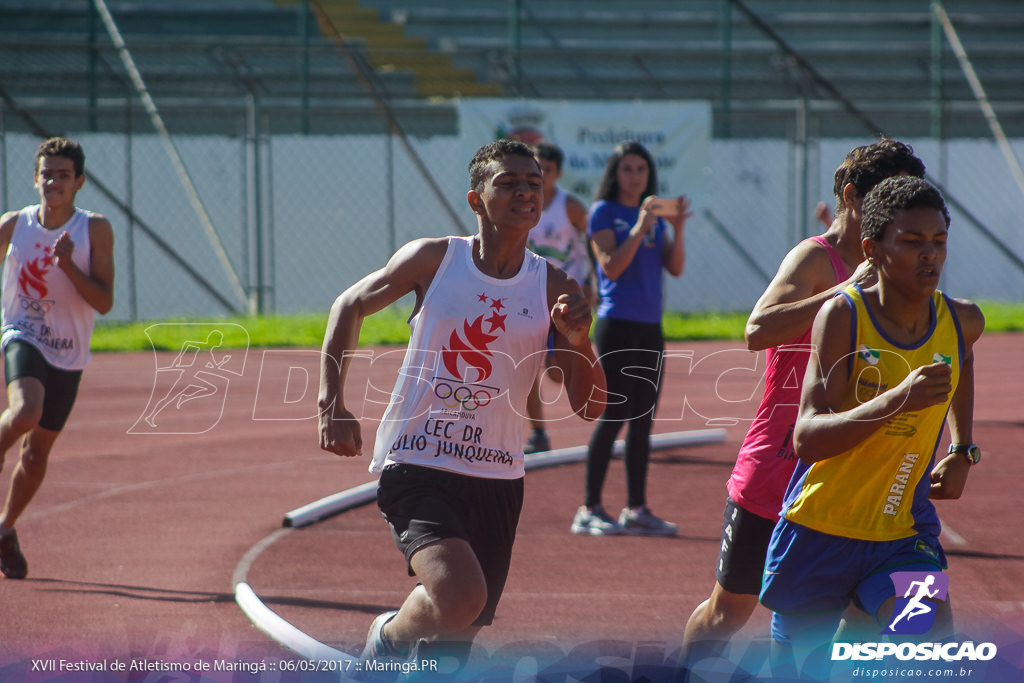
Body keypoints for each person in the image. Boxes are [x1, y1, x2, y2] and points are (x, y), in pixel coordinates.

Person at [317, 139, 606, 671]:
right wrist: (331, 404)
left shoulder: (556, 287)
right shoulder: (434, 259)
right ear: (476, 200)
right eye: (508, 182)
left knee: (457, 640)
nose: (524, 191)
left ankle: (406, 653)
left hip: (497, 476)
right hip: (419, 460)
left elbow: (591, 407)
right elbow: (350, 304)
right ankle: (388, 638)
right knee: (460, 598)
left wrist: (580, 341)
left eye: (533, 183)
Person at [680, 139, 926, 665]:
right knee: (729, 612)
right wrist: (842, 292)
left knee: (854, 615)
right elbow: (756, 329)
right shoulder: (817, 258)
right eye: (889, 201)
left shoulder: (895, 267)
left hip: (847, 471)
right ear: (853, 196)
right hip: (777, 466)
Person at [759, 175, 984, 674]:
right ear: (872, 249)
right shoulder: (842, 316)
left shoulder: (962, 319)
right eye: (910, 242)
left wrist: (962, 448)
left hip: (901, 528)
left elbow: (959, 360)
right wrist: (895, 401)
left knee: (927, 646)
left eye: (939, 242)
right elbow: (807, 438)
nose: (929, 256)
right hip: (821, 528)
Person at [0, 137, 115, 579]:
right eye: (46, 174)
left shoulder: (94, 230)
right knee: (26, 410)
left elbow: (104, 302)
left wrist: (68, 265)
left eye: (63, 176)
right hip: (22, 332)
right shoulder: (15, 225)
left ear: (79, 182)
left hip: (68, 352)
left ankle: (5, 528)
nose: (53, 182)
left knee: (35, 455)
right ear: (35, 178)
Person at [570, 140, 689, 537]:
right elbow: (612, 268)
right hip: (616, 323)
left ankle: (636, 508)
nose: (635, 175)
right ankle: (589, 508)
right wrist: (638, 228)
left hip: (649, 328)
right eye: (627, 169)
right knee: (615, 414)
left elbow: (675, 269)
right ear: (615, 174)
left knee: (643, 420)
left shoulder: (653, 218)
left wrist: (677, 229)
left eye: (641, 169)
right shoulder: (604, 212)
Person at [523, 141, 595, 454]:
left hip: (564, 297)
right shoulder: (523, 203)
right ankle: (539, 434)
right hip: (527, 293)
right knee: (526, 368)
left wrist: (592, 280)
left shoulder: (570, 207)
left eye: (547, 170)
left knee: (555, 371)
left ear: (558, 173)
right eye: (536, 168)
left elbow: (595, 243)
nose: (541, 175)